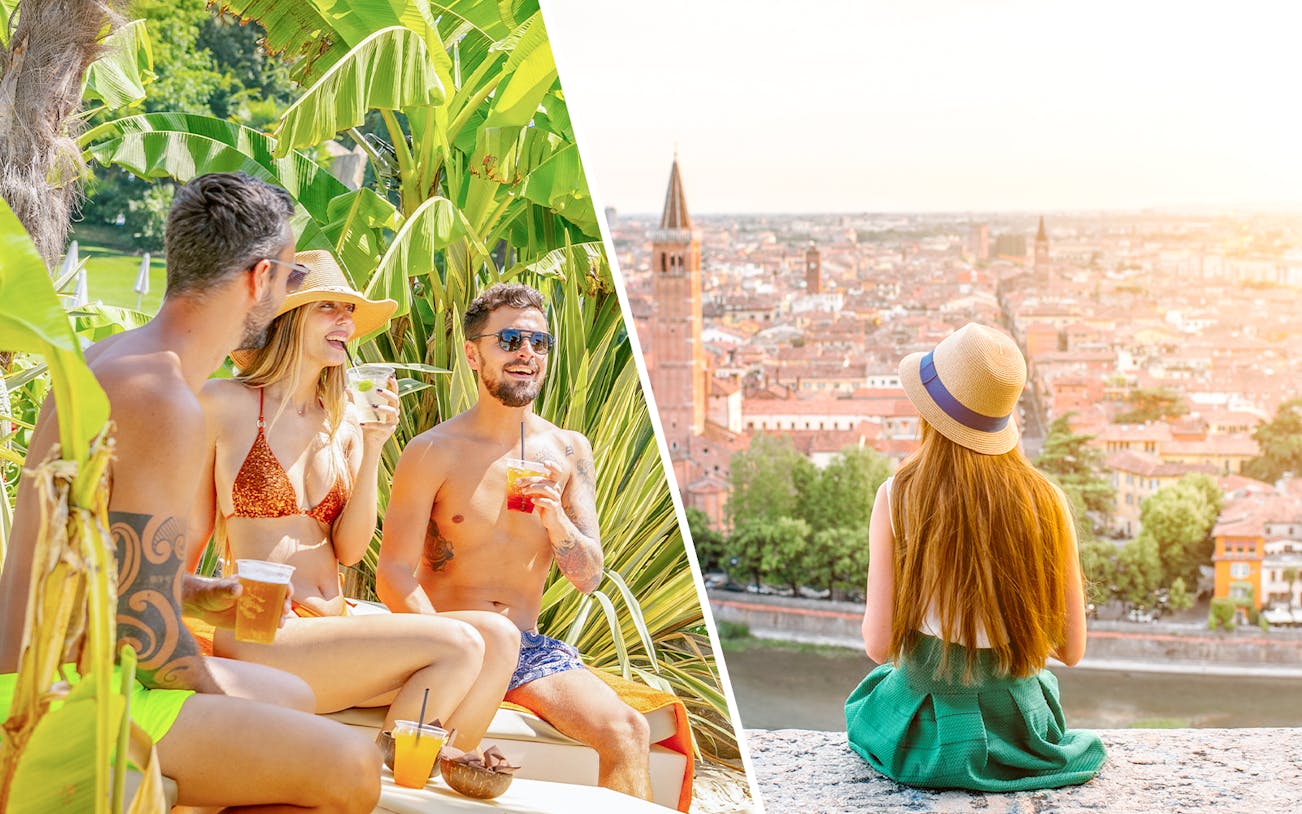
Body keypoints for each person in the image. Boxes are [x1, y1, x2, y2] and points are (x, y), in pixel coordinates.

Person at [0, 172, 379, 812]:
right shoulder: (164, 398)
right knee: (354, 768)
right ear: (259, 279)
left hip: (36, 667)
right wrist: (214, 694)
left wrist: (198, 593)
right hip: (62, 697)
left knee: (294, 698)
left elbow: (103, 561)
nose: (289, 292)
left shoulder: (112, 357)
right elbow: (138, 627)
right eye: (291, 277)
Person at [188, 250, 519, 744]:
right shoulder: (222, 403)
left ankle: (430, 764)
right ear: (287, 318)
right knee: (459, 643)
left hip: (333, 622)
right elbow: (192, 533)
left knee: (501, 636)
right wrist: (180, 614)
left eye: (349, 311)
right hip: (266, 628)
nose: (346, 321)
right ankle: (389, 767)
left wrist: (373, 446)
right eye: (329, 308)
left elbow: (350, 551)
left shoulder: (342, 417)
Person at [377, 282, 653, 799]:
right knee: (428, 769)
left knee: (628, 731)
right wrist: (449, 646)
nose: (527, 354)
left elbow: (589, 577)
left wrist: (556, 521)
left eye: (539, 343)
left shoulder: (569, 451)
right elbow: (391, 573)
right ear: (472, 352)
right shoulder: (432, 451)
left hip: (527, 648)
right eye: (509, 340)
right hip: (448, 638)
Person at [845, 323, 1106, 791]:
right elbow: (1072, 649)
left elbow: (878, 646)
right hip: (1020, 734)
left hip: (926, 736)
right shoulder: (1048, 501)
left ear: (929, 414)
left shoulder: (896, 497)